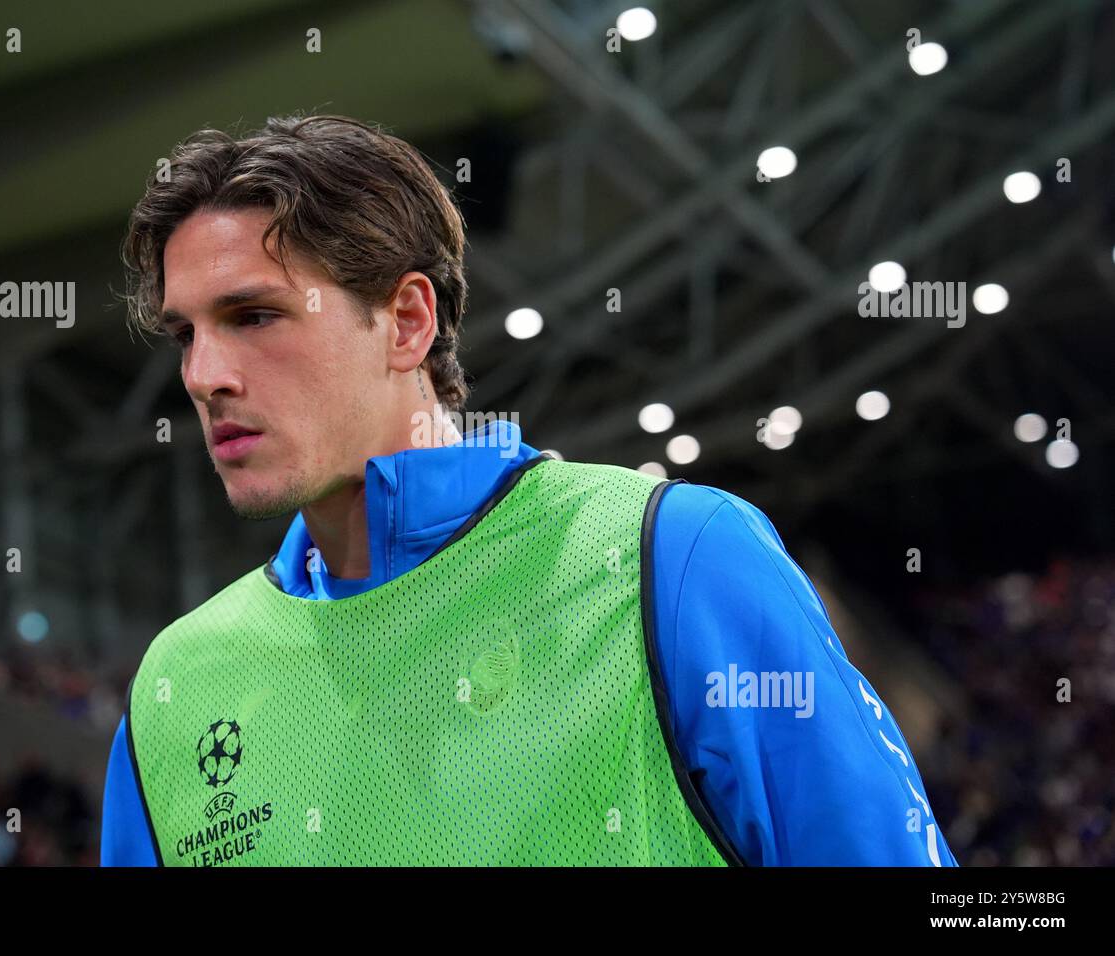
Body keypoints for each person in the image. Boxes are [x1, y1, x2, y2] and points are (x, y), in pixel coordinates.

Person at [101, 113, 955, 866]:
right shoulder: (177, 690)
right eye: (186, 334)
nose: (204, 375)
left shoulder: (673, 561)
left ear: (406, 322)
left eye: (253, 316)